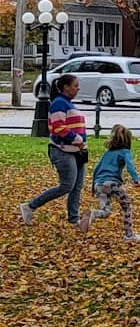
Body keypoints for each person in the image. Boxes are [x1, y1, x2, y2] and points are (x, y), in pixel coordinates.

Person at [18, 74, 89, 228]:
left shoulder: (68, 103)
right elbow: (59, 128)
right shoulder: (59, 104)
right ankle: (30, 206)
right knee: (67, 185)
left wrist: (81, 143)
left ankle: (73, 218)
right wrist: (78, 139)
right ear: (66, 87)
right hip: (62, 150)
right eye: (75, 85)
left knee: (77, 186)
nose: (78, 89)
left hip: (77, 151)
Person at [80, 124, 140, 241]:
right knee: (127, 206)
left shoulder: (107, 153)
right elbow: (130, 166)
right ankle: (129, 235)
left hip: (99, 184)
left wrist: (93, 187)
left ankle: (94, 213)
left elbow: (96, 169)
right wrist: (136, 179)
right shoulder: (125, 152)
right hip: (112, 183)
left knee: (105, 211)